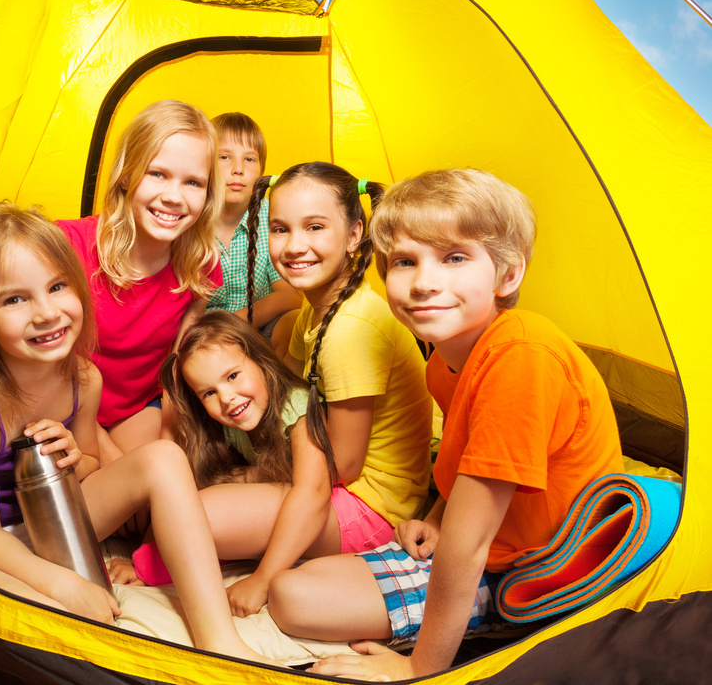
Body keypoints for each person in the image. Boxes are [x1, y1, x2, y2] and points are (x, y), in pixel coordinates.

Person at [268, 169, 625, 681]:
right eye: (405, 262)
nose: (423, 282)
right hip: (485, 543)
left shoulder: (521, 357)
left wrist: (419, 668)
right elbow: (466, 462)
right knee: (294, 584)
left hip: (536, 566)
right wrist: (435, 516)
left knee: (294, 596)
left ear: (507, 275)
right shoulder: (444, 360)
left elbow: (471, 541)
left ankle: (479, 630)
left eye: (455, 258)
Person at [0, 203, 278, 665]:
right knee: (57, 620)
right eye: (15, 299)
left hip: (51, 521)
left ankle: (220, 641)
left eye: (56, 287)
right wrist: (65, 583)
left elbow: (90, 463)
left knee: (163, 458)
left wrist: (75, 454)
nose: (46, 312)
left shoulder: (83, 378)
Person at [251, 162, 434, 564]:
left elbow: (344, 463)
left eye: (315, 227)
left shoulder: (350, 328)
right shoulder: (313, 310)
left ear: (354, 235)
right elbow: (293, 399)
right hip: (338, 481)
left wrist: (256, 474)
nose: (294, 245)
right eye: (280, 229)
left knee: (204, 516)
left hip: (373, 506)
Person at [112, 311, 342, 617]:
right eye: (209, 392)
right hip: (292, 515)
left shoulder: (295, 403)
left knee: (203, 514)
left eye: (233, 376)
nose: (227, 398)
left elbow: (313, 492)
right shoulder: (230, 425)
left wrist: (261, 581)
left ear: (260, 360)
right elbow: (181, 496)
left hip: (335, 519)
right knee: (192, 502)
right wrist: (144, 558)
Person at [58, 100, 223, 456]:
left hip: (136, 410)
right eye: (158, 174)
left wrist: (172, 437)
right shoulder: (66, 246)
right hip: (62, 409)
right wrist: (110, 456)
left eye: (193, 182)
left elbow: (180, 362)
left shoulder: (200, 263)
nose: (174, 197)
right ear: (126, 173)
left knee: (164, 471)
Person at [205, 113, 300, 344]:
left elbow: (290, 296)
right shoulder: (188, 218)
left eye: (249, 159)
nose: (238, 169)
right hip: (200, 335)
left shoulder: (271, 217)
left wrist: (232, 325)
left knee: (294, 322)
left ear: (261, 171)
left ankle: (277, 379)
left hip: (256, 328)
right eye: (225, 157)